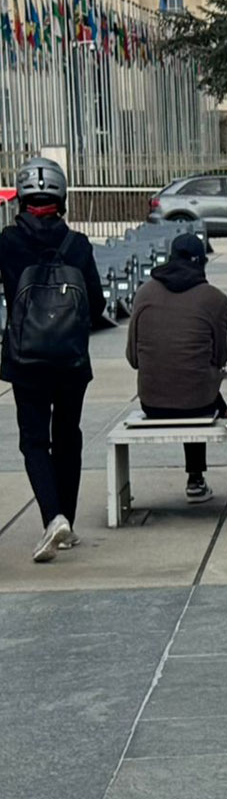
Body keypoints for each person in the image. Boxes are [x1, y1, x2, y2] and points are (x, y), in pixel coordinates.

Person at [0, 156, 112, 562]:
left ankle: (53, 518)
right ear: (62, 197)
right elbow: (98, 302)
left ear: (22, 197)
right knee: (69, 436)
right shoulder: (78, 245)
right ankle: (67, 518)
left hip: (25, 360)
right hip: (70, 361)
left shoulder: (7, 242)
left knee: (33, 440)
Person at [125, 234, 227, 504]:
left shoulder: (144, 293)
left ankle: (196, 476)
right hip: (199, 403)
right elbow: (220, 359)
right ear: (201, 263)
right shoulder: (215, 299)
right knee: (196, 380)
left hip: (152, 402)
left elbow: (133, 358)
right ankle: (195, 479)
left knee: (184, 375)